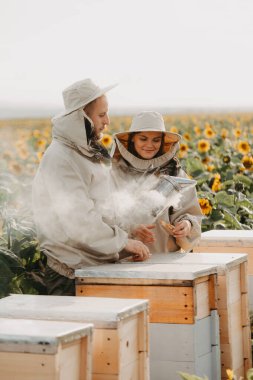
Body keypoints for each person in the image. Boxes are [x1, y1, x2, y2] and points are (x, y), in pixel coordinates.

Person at [32, 78, 150, 296]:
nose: (107, 121)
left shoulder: (81, 151)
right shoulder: (61, 158)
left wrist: (125, 229)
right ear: (81, 117)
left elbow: (100, 204)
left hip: (91, 267)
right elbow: (79, 221)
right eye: (101, 115)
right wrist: (123, 241)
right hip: (70, 275)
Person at [111, 111, 202, 254]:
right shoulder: (114, 173)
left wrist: (187, 224)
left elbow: (190, 212)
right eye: (143, 139)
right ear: (132, 139)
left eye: (156, 140)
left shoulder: (174, 172)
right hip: (125, 262)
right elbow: (101, 220)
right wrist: (130, 228)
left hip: (167, 261)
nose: (150, 145)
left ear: (162, 142)